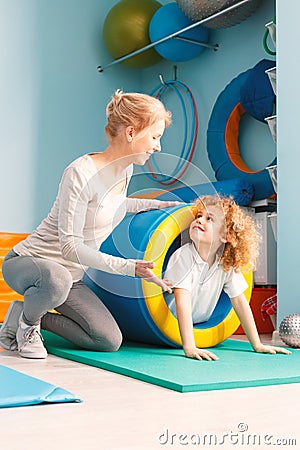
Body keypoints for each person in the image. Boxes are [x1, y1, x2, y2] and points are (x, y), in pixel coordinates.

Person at [0, 90, 179, 359]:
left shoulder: (125, 170)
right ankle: (28, 327)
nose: (158, 146)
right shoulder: (80, 172)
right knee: (56, 278)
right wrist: (130, 268)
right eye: (155, 137)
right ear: (131, 133)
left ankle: (23, 315)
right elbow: (70, 247)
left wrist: (162, 205)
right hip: (29, 263)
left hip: (70, 278)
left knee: (107, 339)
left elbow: (113, 205)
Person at [164, 195, 291, 360]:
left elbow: (240, 303)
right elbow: (182, 301)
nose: (200, 220)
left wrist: (257, 344)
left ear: (225, 236)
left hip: (201, 322)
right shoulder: (183, 256)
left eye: (209, 219)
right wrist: (190, 347)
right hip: (171, 320)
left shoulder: (225, 264)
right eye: (198, 216)